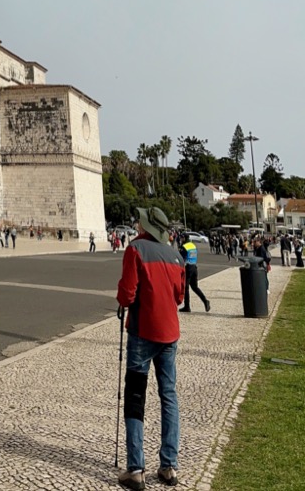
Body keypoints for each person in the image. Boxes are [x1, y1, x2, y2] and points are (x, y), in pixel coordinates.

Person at [118, 207, 187, 489]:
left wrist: (124, 296)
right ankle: (169, 466)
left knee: (135, 396)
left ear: (146, 226)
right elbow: (180, 297)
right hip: (169, 335)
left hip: (142, 333)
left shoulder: (136, 250)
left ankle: (136, 469)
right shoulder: (176, 255)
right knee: (168, 396)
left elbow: (126, 294)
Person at [179, 236, 210, 314]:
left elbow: (181, 258)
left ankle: (187, 306)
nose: (181, 239)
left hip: (188, 267)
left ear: (184, 239)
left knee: (186, 287)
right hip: (194, 267)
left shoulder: (184, 246)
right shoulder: (193, 245)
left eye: (182, 238)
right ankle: (205, 301)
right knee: (195, 287)